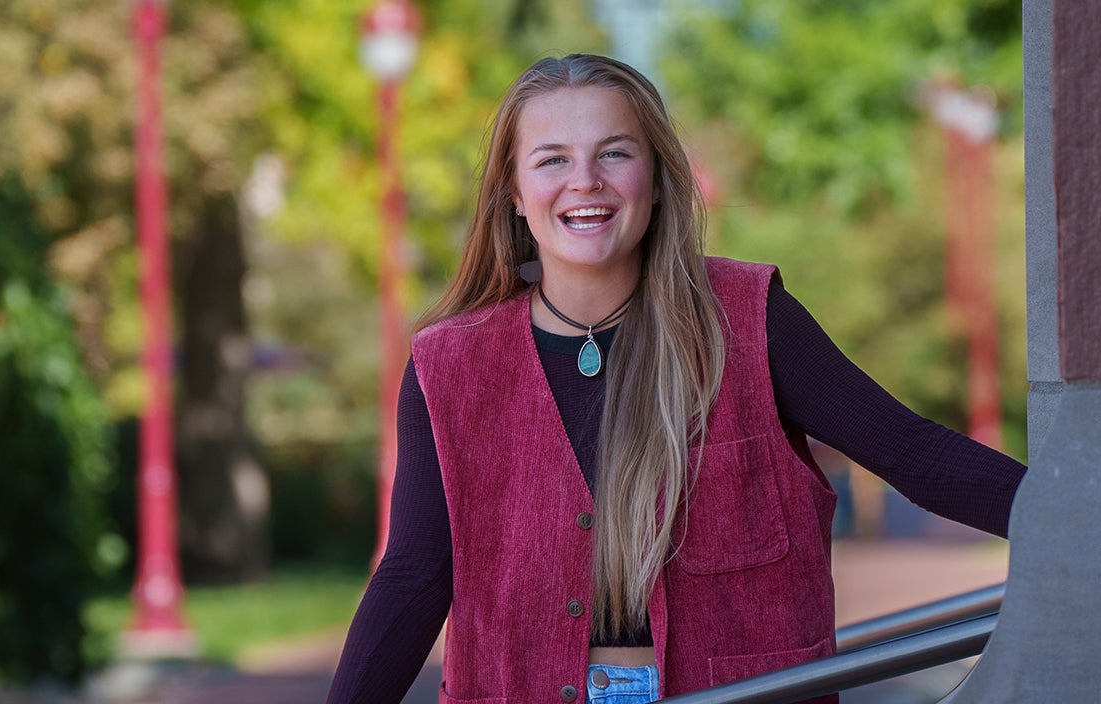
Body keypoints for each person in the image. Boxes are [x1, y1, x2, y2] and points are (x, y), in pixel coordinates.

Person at [326, 54, 1025, 704]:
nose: (585, 181)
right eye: (552, 160)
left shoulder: (752, 321)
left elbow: (913, 453)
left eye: (614, 153)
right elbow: (413, 578)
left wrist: (1096, 518)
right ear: (513, 192)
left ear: (657, 179)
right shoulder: (449, 367)